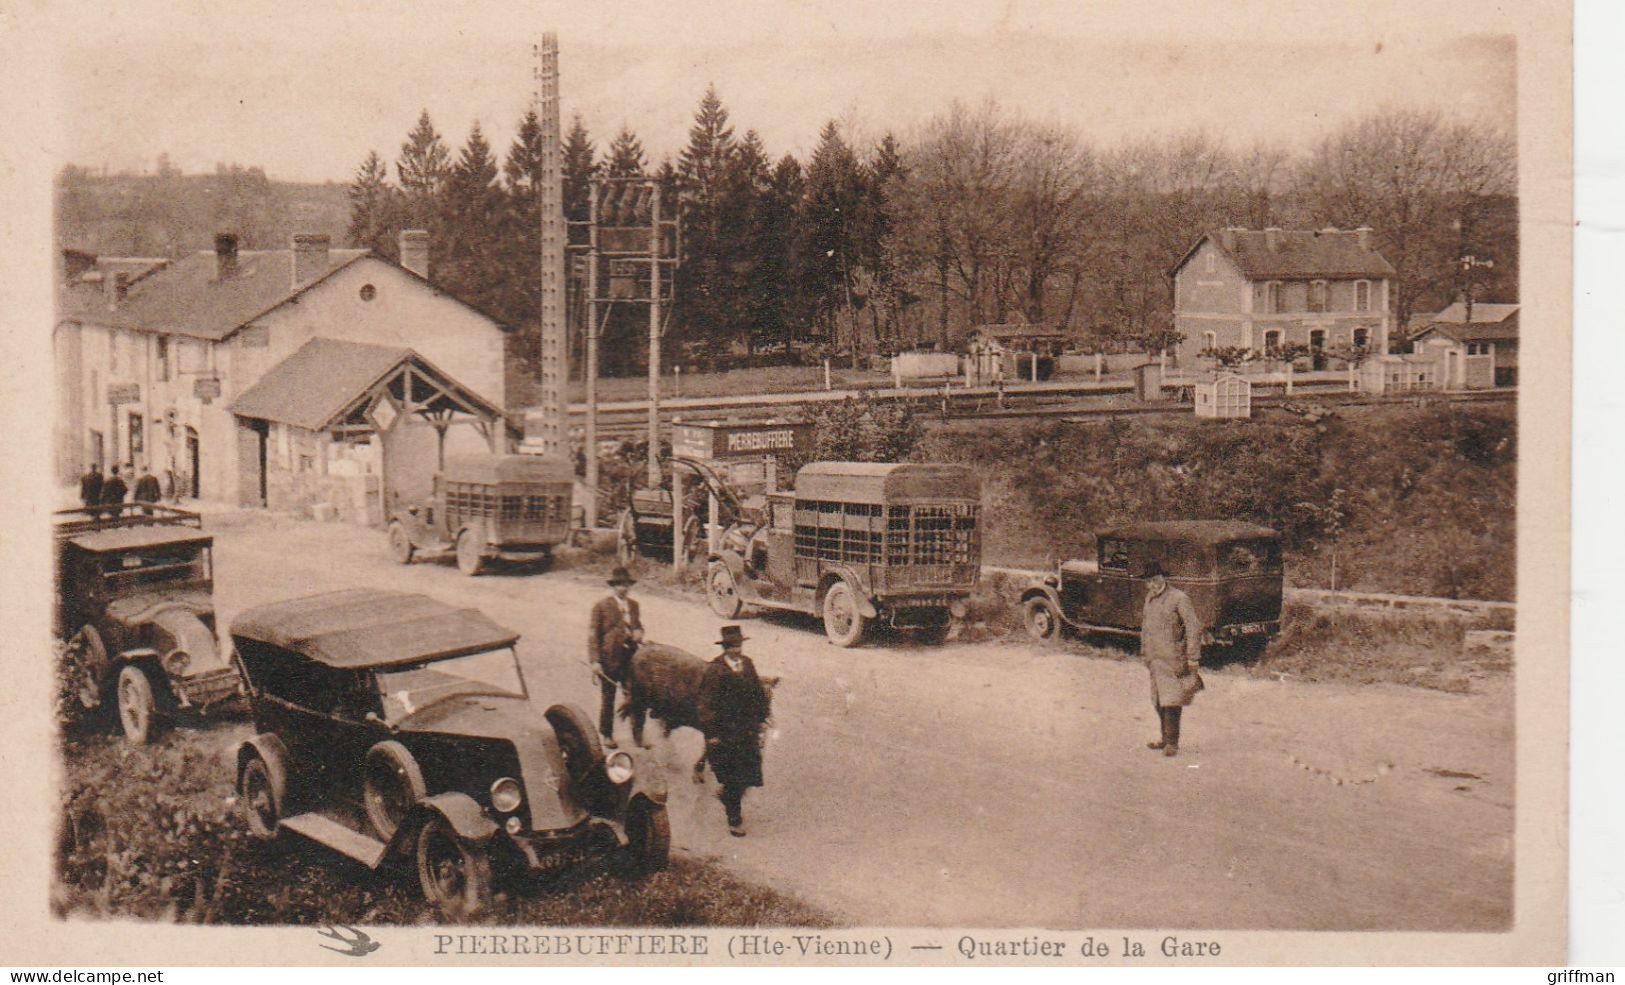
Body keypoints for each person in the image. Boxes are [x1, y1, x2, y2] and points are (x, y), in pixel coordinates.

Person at [697, 624, 772, 837]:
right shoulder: (715, 670)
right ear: (725, 648)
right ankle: (734, 819)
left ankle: (728, 796)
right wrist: (711, 734)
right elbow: (705, 705)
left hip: (747, 730)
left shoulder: (747, 664)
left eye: (738, 646)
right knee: (733, 777)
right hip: (726, 733)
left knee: (750, 774)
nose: (737, 650)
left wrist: (763, 715)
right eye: (732, 647)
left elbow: (758, 692)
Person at [1140, 561, 1203, 757]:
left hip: (1174, 659)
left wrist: (1192, 658)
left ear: (1163, 578)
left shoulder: (1179, 598)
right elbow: (1145, 628)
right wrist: (1145, 653)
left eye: (1156, 579)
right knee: (1158, 700)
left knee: (1172, 701)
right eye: (1149, 581)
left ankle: (1172, 743)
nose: (1152, 584)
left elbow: (1193, 628)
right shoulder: (1149, 599)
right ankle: (1164, 738)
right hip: (1155, 659)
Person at [587, 566, 643, 749]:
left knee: (635, 697)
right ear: (613, 586)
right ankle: (607, 735)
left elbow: (639, 626)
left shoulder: (634, 606)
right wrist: (595, 661)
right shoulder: (601, 606)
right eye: (619, 585)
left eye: (626, 584)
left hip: (631, 659)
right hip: (610, 660)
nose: (623, 588)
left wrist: (638, 632)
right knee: (608, 699)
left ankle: (637, 735)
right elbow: (593, 635)